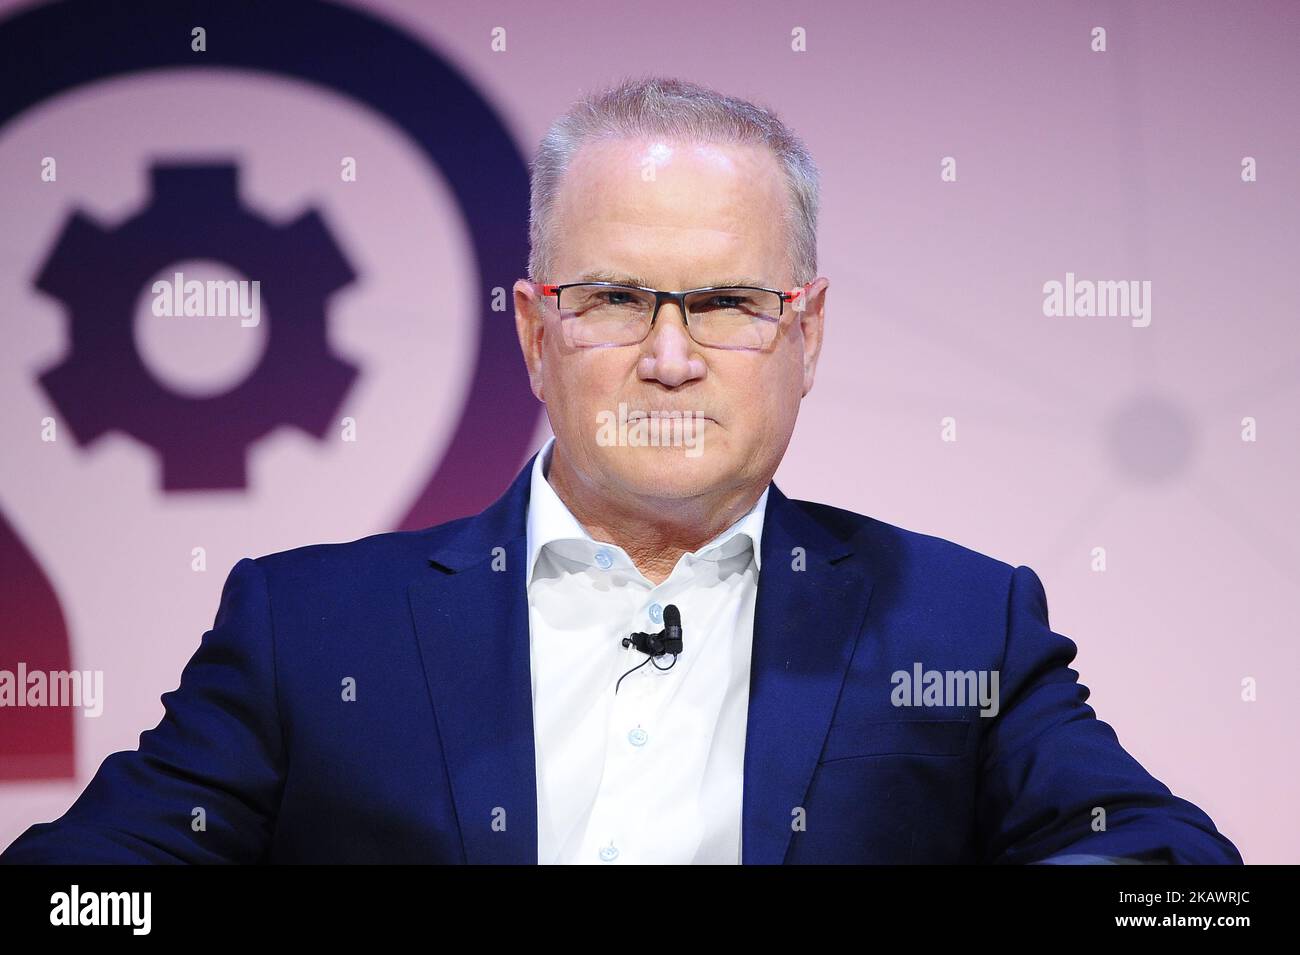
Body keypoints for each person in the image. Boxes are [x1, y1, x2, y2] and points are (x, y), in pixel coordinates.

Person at [1, 76, 1241, 864]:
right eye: (613, 301)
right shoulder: (309, 624)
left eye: (725, 304)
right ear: (537, 335)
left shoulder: (959, 621)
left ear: (805, 337)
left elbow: (1168, 870)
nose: (667, 357)